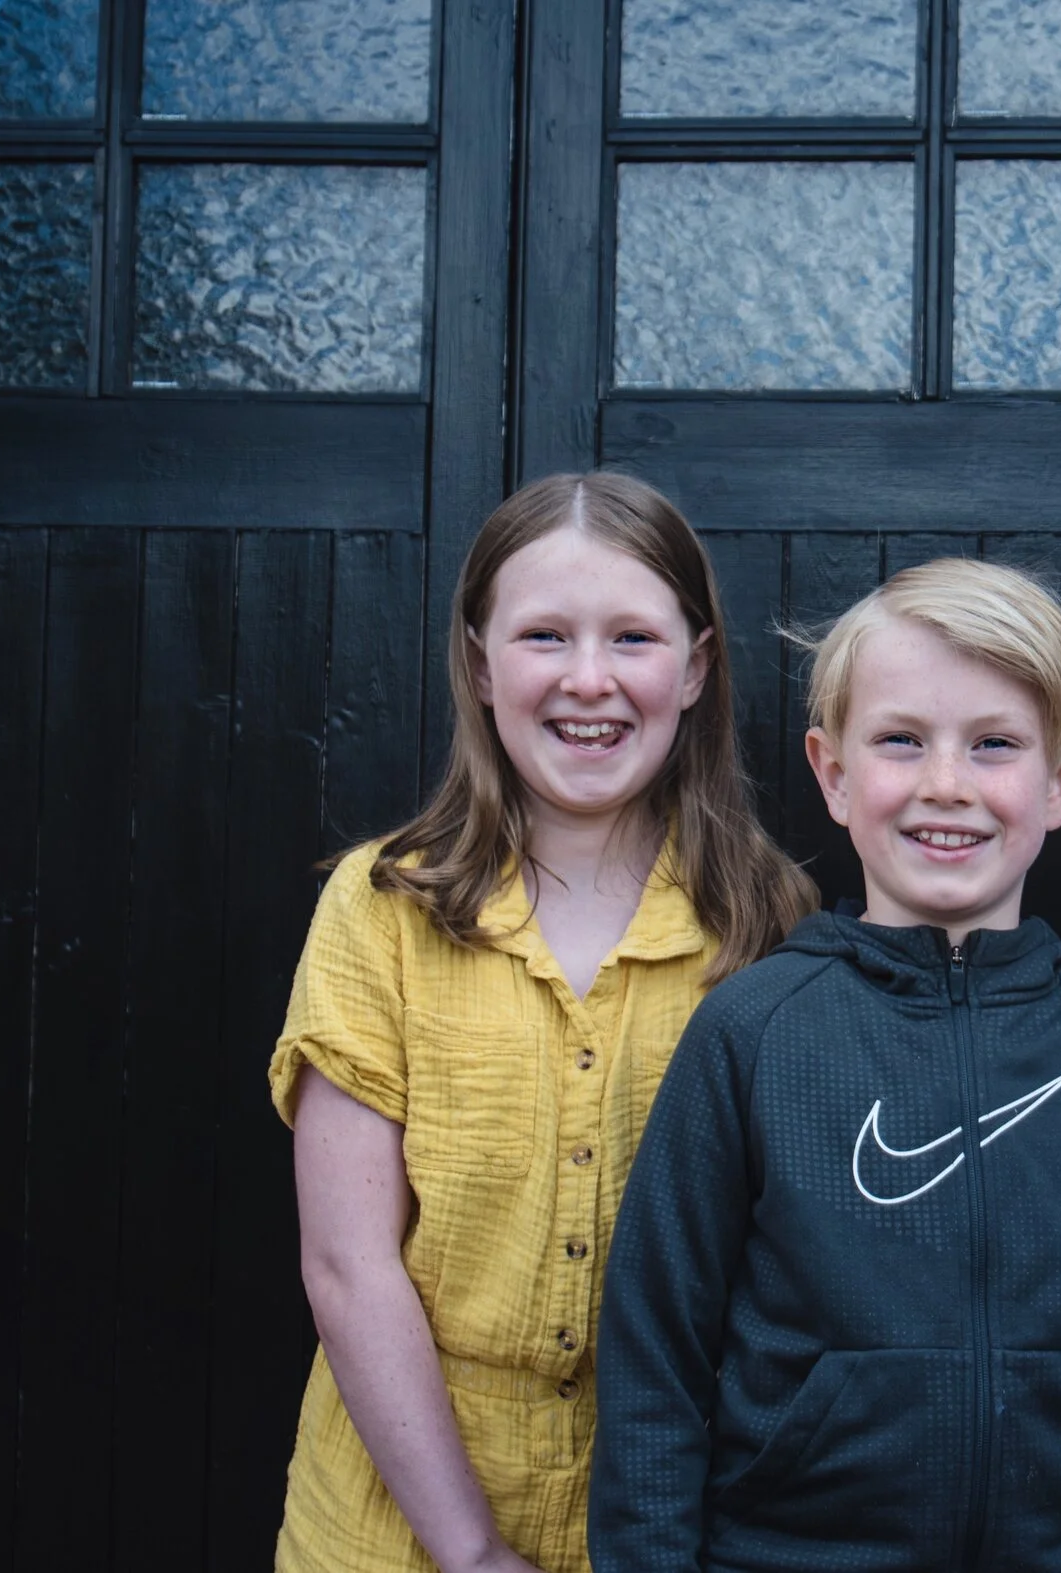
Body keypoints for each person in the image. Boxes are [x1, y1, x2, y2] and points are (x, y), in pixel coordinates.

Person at [591, 558, 1061, 1573]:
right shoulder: (754, 1031)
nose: (947, 785)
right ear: (834, 773)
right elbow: (653, 1363)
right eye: (901, 741)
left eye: (994, 744)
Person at [267, 472, 815, 1573]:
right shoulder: (382, 907)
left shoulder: (768, 922)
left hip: (663, 1529)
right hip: (389, 1530)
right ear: (479, 661)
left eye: (632, 637)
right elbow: (346, 1263)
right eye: (544, 635)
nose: (588, 679)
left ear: (697, 666)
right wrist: (470, 1552)